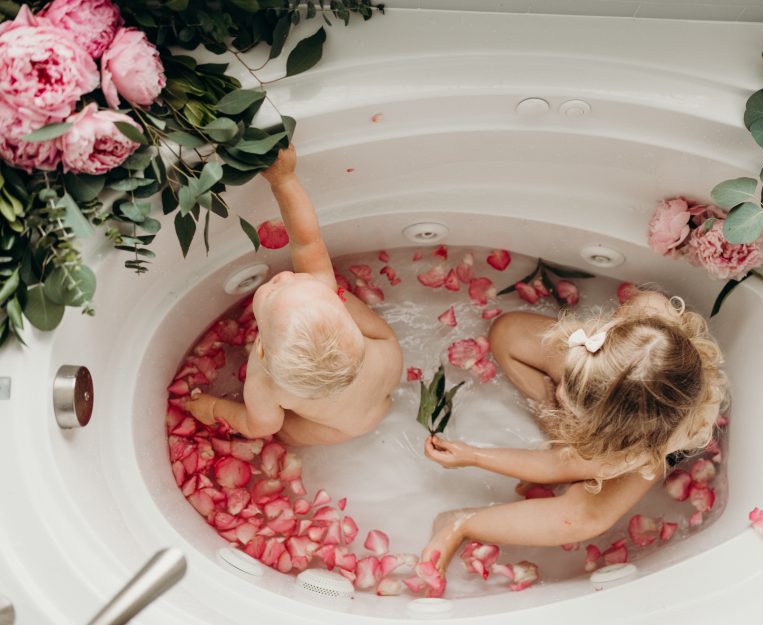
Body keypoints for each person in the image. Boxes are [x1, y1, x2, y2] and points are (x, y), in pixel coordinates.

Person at [419, 290, 727, 574]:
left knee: (584, 518)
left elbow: (557, 465)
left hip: (648, 444)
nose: (559, 393)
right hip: (618, 373)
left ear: (609, 433)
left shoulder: (627, 451)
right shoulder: (651, 315)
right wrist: (588, 371)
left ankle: (461, 522)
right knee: (507, 333)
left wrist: (475, 456)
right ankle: (578, 409)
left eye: (571, 397)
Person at [185, 145, 402, 445]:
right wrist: (284, 180)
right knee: (376, 333)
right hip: (386, 372)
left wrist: (213, 407)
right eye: (294, 281)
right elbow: (307, 241)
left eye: (273, 291)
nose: (284, 276)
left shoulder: (264, 383)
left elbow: (260, 426)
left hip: (347, 426)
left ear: (261, 351)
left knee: (287, 432)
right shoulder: (324, 291)